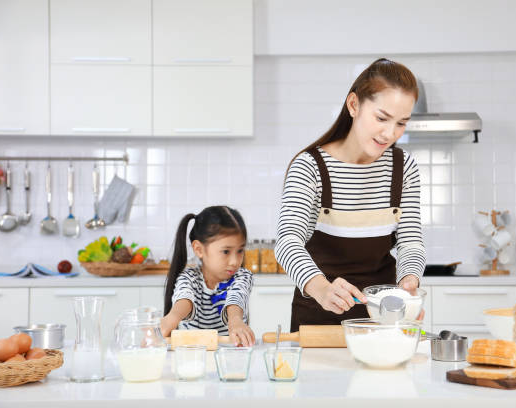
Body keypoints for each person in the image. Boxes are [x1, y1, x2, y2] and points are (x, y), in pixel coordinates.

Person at [275, 58, 426, 331]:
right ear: (354, 105)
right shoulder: (310, 167)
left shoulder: (404, 168)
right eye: (381, 118)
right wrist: (321, 289)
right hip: (317, 322)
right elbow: (287, 241)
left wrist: (409, 281)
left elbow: (410, 242)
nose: (390, 133)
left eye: (401, 123)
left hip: (381, 321)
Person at [161, 206, 255, 346]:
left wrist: (235, 320)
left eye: (240, 250)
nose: (235, 261)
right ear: (199, 249)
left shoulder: (242, 277)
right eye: (226, 252)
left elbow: (236, 298)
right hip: (191, 360)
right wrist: (171, 318)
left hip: (228, 359)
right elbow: (185, 298)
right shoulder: (188, 277)